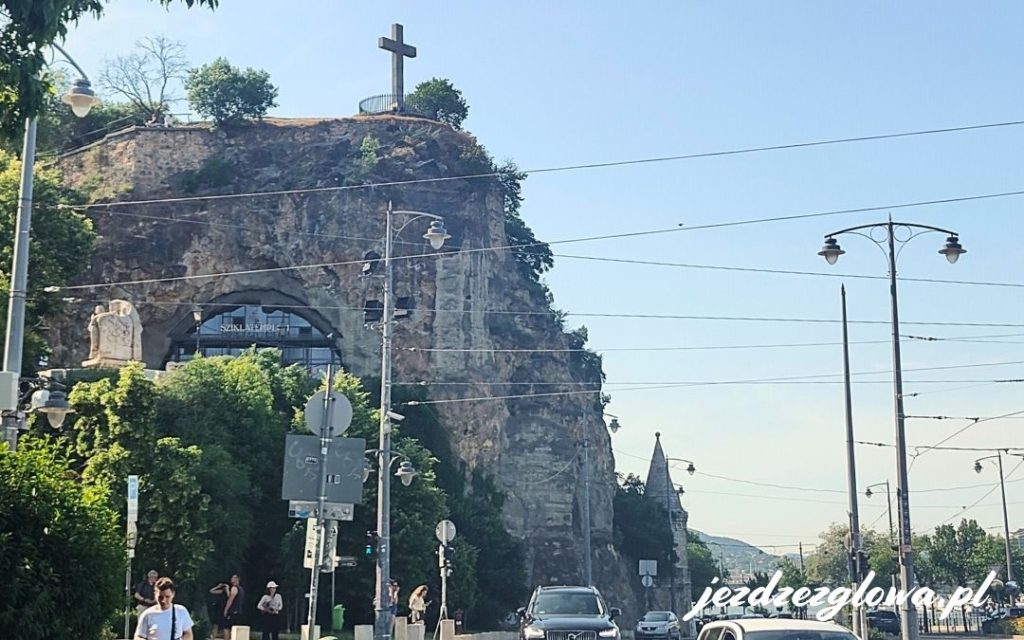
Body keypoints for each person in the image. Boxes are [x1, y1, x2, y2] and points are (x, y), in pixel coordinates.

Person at [221, 574, 245, 639]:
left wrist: (226, 610)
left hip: (232, 611)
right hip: (239, 611)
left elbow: (230, 599)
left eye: (233, 577)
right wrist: (227, 590)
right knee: (234, 629)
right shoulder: (241, 589)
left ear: (237, 579)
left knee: (226, 628)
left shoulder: (234, 588)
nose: (231, 578)